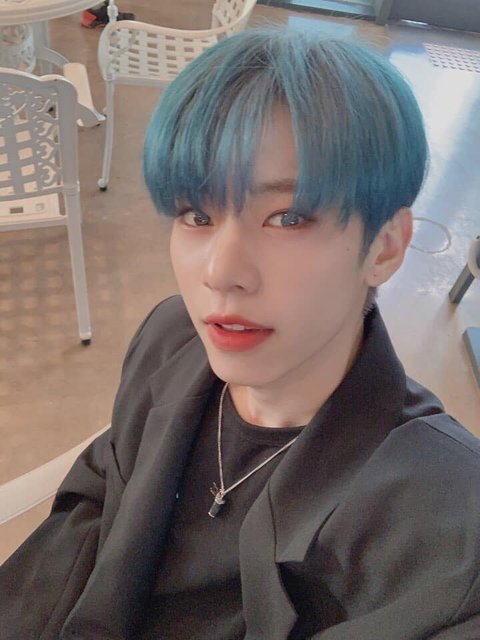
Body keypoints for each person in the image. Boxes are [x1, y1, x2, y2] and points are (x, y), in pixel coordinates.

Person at [1, 26, 480, 640]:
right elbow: (100, 490)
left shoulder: (447, 527)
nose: (220, 272)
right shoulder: (170, 335)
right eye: (196, 214)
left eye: (288, 217)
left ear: (384, 247)